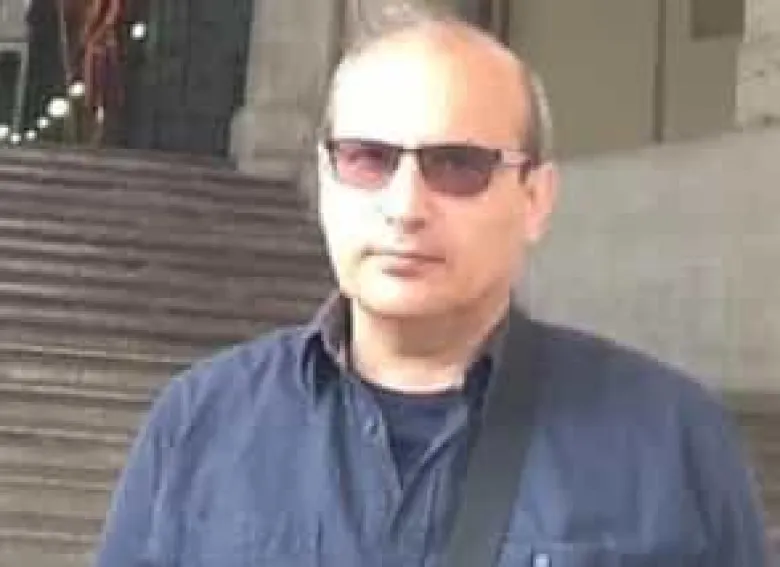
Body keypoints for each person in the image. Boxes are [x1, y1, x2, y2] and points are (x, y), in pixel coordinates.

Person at [93, 8, 770, 567]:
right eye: (368, 159)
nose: (405, 206)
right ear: (326, 180)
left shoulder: (671, 440)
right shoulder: (201, 423)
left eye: (457, 165)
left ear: (535, 198)